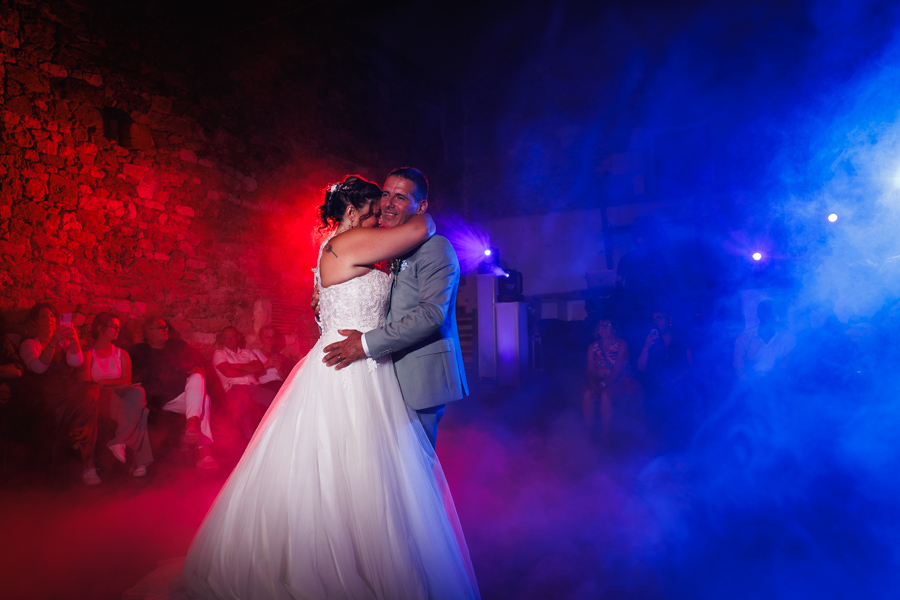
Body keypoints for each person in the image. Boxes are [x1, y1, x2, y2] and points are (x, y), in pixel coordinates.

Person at [124, 175, 479, 599]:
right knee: (344, 467)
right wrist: (419, 212)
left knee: (369, 473)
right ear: (351, 213)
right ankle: (344, 564)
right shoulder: (348, 244)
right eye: (374, 206)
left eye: (395, 199)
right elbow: (419, 230)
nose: (380, 214)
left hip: (367, 360)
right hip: (348, 364)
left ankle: (366, 556)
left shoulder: (351, 247)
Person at [322, 167, 468, 448]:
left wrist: (364, 343)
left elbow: (431, 314)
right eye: (386, 194)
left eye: (400, 197)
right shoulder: (389, 249)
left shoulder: (436, 248)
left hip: (418, 376)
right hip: (381, 375)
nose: (388, 203)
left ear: (421, 206)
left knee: (416, 473)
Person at [18, 302, 102, 485]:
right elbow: (38, 368)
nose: (48, 319)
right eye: (43, 316)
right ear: (34, 322)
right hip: (46, 395)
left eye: (51, 316)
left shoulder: (65, 342)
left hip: (68, 391)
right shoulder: (29, 344)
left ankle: (89, 467)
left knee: (92, 389)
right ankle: (85, 461)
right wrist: (53, 342)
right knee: (86, 408)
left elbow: (76, 362)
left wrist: (74, 340)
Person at [129, 317, 218, 470]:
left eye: (166, 327)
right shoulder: (139, 352)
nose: (165, 331)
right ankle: (204, 452)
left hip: (182, 396)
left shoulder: (178, 346)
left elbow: (197, 363)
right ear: (148, 332)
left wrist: (197, 368)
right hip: (157, 400)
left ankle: (192, 425)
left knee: (198, 379)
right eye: (160, 328)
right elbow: (139, 378)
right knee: (204, 400)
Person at [79, 312, 153, 477]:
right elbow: (85, 382)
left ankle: (120, 439)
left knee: (138, 391)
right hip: (99, 396)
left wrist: (105, 382)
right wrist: (106, 385)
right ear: (100, 328)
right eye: (114, 326)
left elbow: (126, 379)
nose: (117, 330)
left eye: (118, 327)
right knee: (142, 412)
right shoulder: (88, 353)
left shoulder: (122, 354)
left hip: (119, 392)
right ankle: (139, 462)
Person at [636, 308, 694, 451]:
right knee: (654, 401)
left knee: (676, 401)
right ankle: (658, 449)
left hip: (679, 384)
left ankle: (679, 446)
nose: (656, 322)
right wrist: (646, 347)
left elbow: (691, 367)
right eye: (654, 319)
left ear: (669, 320)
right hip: (657, 386)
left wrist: (672, 382)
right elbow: (641, 367)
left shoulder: (681, 338)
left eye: (660, 318)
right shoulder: (651, 341)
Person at [582, 317, 642, 446]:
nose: (603, 328)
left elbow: (618, 369)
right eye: (601, 325)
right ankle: (588, 434)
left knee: (605, 395)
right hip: (600, 381)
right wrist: (594, 384)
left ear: (614, 329)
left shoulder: (621, 344)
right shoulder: (593, 347)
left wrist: (603, 385)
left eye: (607, 325)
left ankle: (606, 436)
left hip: (619, 381)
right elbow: (590, 370)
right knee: (587, 394)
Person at [212, 325, 276, 438]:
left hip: (253, 387)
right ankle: (251, 444)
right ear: (222, 339)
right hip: (235, 388)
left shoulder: (247, 352)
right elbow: (228, 372)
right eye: (226, 337)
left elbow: (259, 368)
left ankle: (275, 435)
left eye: (232, 337)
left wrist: (235, 366)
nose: (230, 340)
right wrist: (248, 367)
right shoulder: (219, 354)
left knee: (277, 400)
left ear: (238, 338)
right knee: (242, 404)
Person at [250, 325, 288, 392]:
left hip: (280, 383)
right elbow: (253, 376)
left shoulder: (279, 354)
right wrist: (266, 365)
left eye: (273, 337)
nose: (271, 340)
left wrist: (279, 369)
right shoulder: (255, 353)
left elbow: (285, 377)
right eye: (268, 337)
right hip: (266, 384)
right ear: (262, 339)